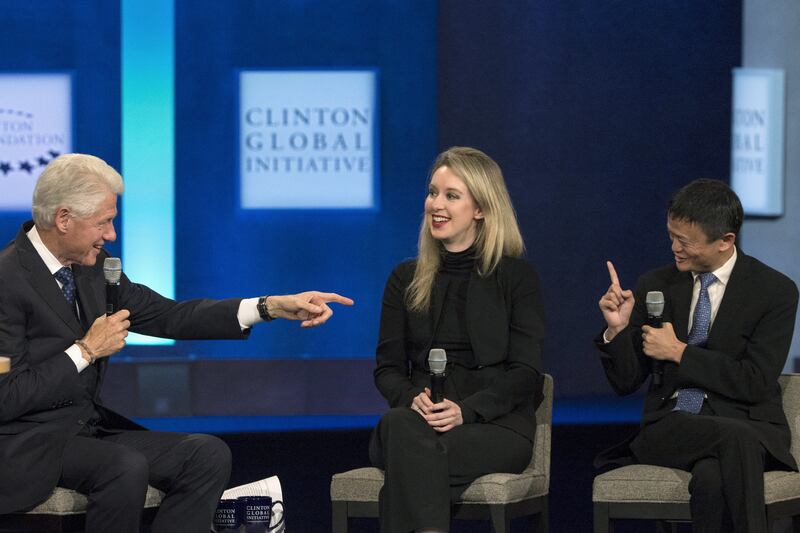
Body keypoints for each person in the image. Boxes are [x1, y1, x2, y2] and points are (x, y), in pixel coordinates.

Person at [0, 153, 353, 532]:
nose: (112, 235)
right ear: (64, 219)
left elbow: (171, 316)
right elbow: (6, 398)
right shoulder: (7, 279)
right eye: (103, 222)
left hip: (86, 432)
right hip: (26, 444)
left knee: (205, 455)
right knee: (123, 466)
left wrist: (269, 307)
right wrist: (85, 351)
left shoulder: (94, 269)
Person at [596, 178, 799, 532]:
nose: (674, 248)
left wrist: (679, 352)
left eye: (685, 241)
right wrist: (617, 330)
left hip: (749, 424)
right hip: (672, 424)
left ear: (725, 241)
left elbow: (754, 382)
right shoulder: (656, 285)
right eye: (671, 236)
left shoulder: (774, 291)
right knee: (734, 440)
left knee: (712, 478)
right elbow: (626, 382)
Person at [369, 147, 545, 533]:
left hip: (494, 426)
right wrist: (410, 398)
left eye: (451, 195)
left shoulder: (517, 279)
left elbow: (526, 372)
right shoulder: (404, 279)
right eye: (433, 193)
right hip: (417, 423)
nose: (436, 204)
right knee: (399, 425)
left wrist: (466, 411)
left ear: (480, 208)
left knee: (407, 457)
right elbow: (387, 369)